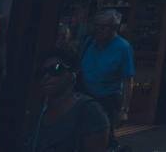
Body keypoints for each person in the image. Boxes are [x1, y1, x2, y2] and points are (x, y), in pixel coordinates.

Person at [24, 47, 110, 152]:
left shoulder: (89, 111)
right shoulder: (40, 111)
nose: (46, 76)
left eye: (56, 69)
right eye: (42, 72)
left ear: (73, 74)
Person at [79, 10, 134, 147]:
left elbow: (128, 80)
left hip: (107, 99)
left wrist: (124, 110)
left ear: (114, 29)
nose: (98, 30)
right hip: (84, 95)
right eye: (96, 26)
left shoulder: (123, 47)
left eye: (103, 27)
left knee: (103, 136)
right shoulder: (89, 42)